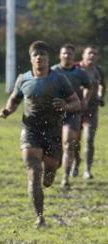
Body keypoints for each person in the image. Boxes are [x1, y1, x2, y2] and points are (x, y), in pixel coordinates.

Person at [0, 41, 80, 228]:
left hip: (52, 132)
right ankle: (40, 217)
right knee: (34, 172)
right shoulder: (23, 79)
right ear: (31, 59)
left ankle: (51, 173)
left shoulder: (59, 79)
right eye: (36, 55)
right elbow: (14, 100)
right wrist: (7, 110)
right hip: (30, 131)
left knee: (49, 172)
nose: (39, 58)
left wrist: (66, 106)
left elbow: (76, 103)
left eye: (43, 55)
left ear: (47, 59)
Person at [51, 44, 91, 189]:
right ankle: (65, 163)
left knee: (68, 143)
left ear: (74, 57)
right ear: (60, 55)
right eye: (64, 53)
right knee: (56, 144)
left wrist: (85, 100)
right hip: (55, 113)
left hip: (73, 112)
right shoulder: (53, 71)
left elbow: (88, 86)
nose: (67, 56)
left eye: (70, 54)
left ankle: (65, 178)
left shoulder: (80, 73)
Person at [75, 46, 105, 179]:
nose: (91, 56)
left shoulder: (98, 71)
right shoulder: (75, 69)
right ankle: (76, 163)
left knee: (89, 139)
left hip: (92, 109)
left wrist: (100, 97)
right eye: (89, 53)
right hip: (75, 109)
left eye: (94, 54)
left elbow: (103, 85)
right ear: (83, 55)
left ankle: (87, 170)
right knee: (74, 140)